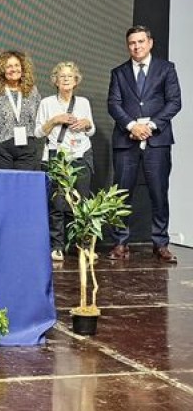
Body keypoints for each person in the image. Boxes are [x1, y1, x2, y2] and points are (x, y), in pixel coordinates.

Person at [106, 25, 182, 263]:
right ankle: (120, 243)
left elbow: (174, 102)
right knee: (121, 194)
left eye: (140, 42)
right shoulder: (118, 72)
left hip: (157, 142)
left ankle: (160, 243)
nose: (136, 47)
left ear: (150, 43)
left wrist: (150, 126)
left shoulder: (166, 69)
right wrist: (131, 126)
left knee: (159, 193)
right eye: (132, 43)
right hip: (126, 142)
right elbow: (114, 104)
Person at [35, 62, 95, 261]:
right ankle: (57, 245)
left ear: (76, 80)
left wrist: (86, 124)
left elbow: (91, 129)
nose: (66, 79)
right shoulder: (47, 103)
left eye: (70, 76)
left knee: (81, 204)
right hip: (57, 157)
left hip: (80, 154)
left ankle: (83, 245)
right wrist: (55, 120)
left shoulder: (83, 102)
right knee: (57, 204)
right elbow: (37, 132)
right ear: (55, 81)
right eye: (62, 76)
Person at [0, 50, 42, 170]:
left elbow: (38, 117)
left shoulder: (32, 91)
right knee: (4, 187)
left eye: (17, 65)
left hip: (26, 147)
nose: (13, 69)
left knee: (24, 187)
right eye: (8, 66)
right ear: (1, 69)